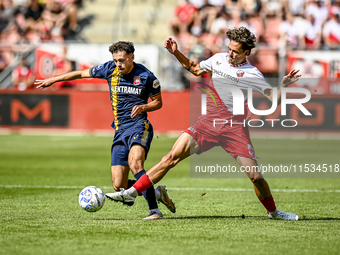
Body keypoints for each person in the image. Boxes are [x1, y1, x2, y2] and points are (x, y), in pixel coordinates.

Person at [106, 27, 301, 221]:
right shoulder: (218, 59)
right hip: (207, 124)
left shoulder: (252, 73)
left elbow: (273, 99)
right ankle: (131, 192)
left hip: (235, 129)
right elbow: (195, 69)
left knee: (256, 177)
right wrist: (176, 53)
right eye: (229, 48)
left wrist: (283, 86)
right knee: (170, 157)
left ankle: (274, 212)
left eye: (235, 51)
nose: (230, 53)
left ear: (246, 53)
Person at [35, 41, 176, 220]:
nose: (119, 64)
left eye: (122, 60)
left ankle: (154, 211)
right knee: (119, 185)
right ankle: (157, 193)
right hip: (119, 130)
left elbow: (158, 102)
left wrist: (142, 107)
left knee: (136, 165)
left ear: (132, 57)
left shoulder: (147, 76)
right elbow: (79, 73)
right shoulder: (110, 69)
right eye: (116, 60)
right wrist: (53, 79)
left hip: (139, 126)